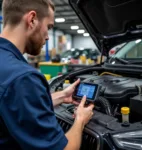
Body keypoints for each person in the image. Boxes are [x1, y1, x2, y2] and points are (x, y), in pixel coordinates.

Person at [0, 0, 94, 150]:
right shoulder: (23, 77)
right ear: (32, 20)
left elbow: (13, 105)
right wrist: (81, 120)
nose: (48, 37)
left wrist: (62, 96)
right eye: (49, 27)